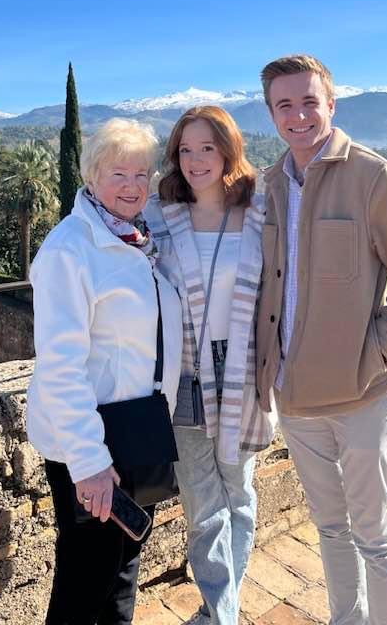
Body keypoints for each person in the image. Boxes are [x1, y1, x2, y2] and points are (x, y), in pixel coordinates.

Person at [255, 55, 387, 625]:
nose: (297, 115)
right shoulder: (270, 186)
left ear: (331, 104)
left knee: (375, 534)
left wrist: (379, 350)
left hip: (362, 393)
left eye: (308, 101)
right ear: (271, 114)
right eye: (284, 105)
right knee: (331, 528)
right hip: (293, 395)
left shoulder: (371, 177)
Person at [26, 118, 183, 625]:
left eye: (142, 174)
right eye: (120, 174)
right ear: (92, 175)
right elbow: (60, 365)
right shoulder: (69, 250)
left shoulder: (140, 238)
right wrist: (89, 463)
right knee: (85, 581)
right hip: (93, 443)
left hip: (139, 429)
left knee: (124, 568)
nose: (134, 186)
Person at [145, 106, 274, 625]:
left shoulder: (262, 210)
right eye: (185, 149)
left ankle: (219, 611)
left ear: (228, 148)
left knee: (239, 495)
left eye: (207, 148)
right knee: (202, 507)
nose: (196, 160)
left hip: (242, 369)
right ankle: (223, 614)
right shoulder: (159, 213)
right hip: (185, 373)